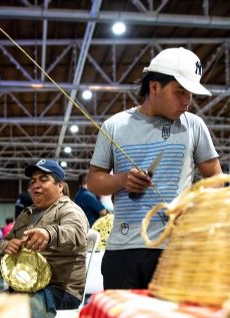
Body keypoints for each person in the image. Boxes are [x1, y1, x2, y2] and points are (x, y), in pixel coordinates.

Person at [87, 47, 222, 290]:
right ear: (154, 87)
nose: (187, 102)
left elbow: (216, 178)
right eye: (179, 92)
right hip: (123, 250)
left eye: (190, 94)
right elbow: (95, 180)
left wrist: (196, 205)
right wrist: (122, 180)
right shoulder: (115, 126)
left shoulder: (194, 126)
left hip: (174, 250)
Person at [0, 159, 88, 318]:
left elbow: (76, 232)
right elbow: (3, 243)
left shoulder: (69, 210)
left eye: (43, 179)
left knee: (18, 313)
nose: (36, 185)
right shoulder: (26, 213)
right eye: (33, 181)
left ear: (60, 186)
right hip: (26, 288)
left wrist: (49, 233)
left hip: (60, 290)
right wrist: (7, 246)